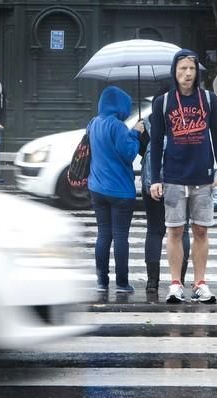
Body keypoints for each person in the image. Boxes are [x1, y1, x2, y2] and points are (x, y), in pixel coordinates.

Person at [149, 49, 217, 304]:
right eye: (182, 68)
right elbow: (156, 142)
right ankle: (175, 284)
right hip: (172, 175)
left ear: (197, 73)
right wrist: (154, 179)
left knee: (201, 230)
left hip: (203, 176)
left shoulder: (209, 99)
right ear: (175, 71)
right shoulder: (162, 102)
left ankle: (200, 283)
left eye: (191, 69)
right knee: (174, 231)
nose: (187, 73)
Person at [88, 86, 145, 294]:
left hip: (96, 188)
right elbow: (129, 154)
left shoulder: (93, 123)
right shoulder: (118, 126)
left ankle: (102, 282)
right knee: (120, 236)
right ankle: (122, 284)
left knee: (103, 235)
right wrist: (135, 133)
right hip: (120, 191)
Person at [140, 105, 191, 293]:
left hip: (152, 184)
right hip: (177, 183)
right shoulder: (183, 122)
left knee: (154, 231)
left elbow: (139, 152)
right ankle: (179, 279)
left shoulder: (146, 123)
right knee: (181, 232)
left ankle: (152, 282)